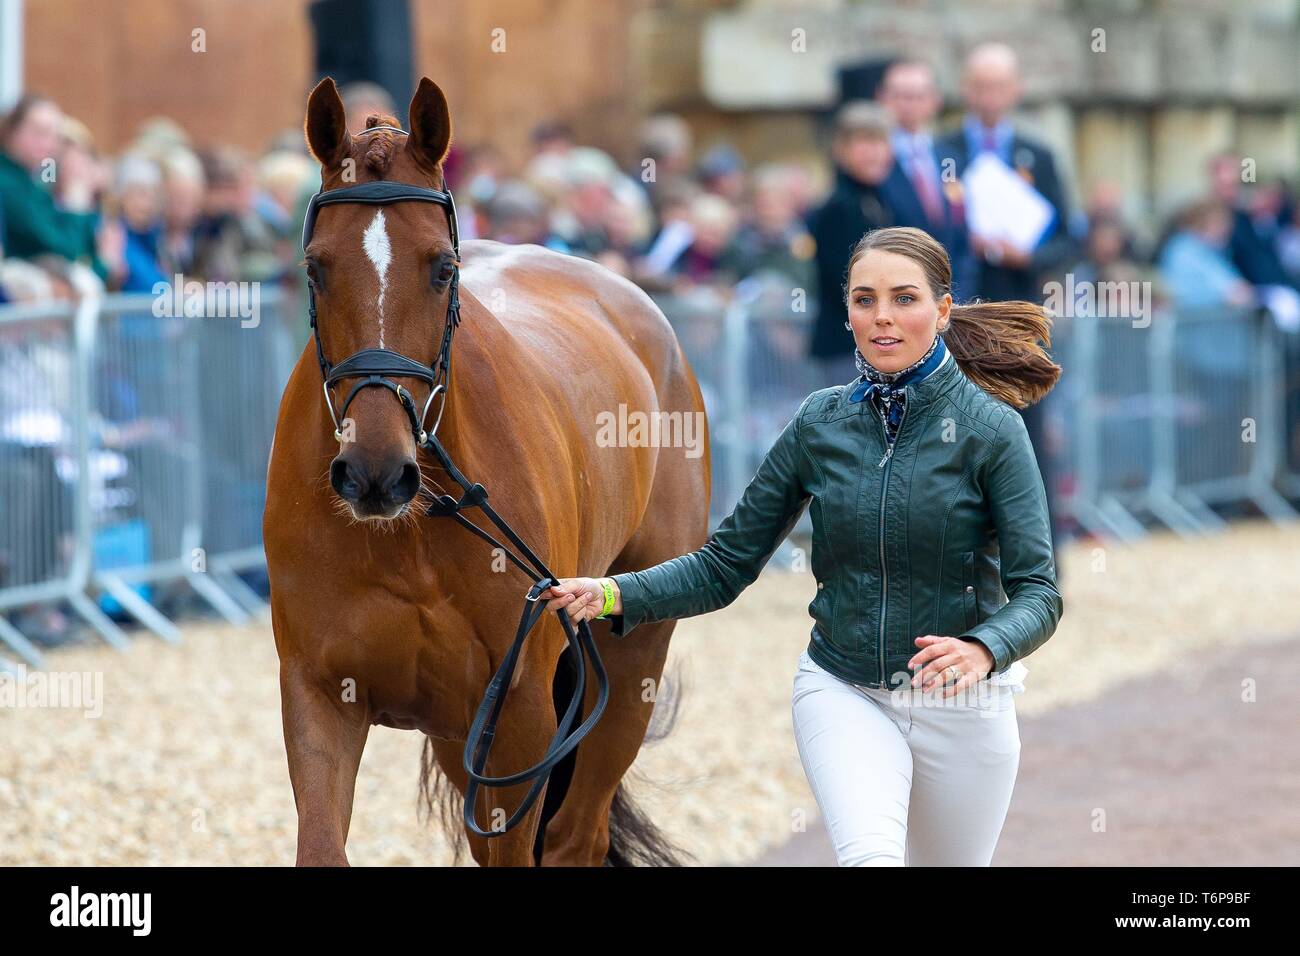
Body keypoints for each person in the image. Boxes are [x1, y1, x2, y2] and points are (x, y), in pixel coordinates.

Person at [541, 225, 1063, 866]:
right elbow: (725, 563)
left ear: (943, 309)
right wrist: (613, 593)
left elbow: (1039, 589)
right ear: (846, 312)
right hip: (844, 691)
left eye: (904, 299)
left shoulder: (992, 430)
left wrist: (985, 647)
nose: (883, 318)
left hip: (965, 707)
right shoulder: (819, 422)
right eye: (864, 299)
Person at [806, 100, 899, 385]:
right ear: (841, 149)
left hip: (872, 343)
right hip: (848, 348)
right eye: (864, 142)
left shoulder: (878, 199)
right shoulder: (839, 206)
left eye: (881, 142)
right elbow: (847, 283)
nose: (874, 153)